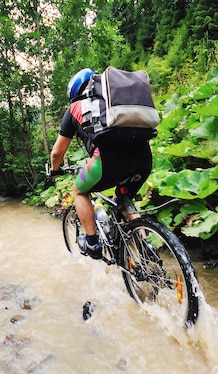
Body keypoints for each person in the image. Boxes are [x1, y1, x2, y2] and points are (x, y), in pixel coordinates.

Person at [50, 68, 153, 259]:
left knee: (79, 190)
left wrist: (55, 170)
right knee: (124, 198)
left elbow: (57, 152)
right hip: (143, 159)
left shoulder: (75, 108)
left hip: (106, 162)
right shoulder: (116, 103)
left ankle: (92, 244)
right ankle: (146, 248)